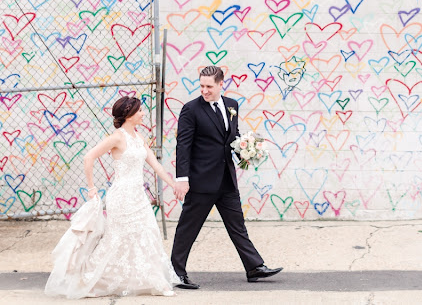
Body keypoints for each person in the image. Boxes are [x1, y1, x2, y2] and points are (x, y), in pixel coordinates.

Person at [45, 96, 180, 298]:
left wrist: (174, 184)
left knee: (148, 234)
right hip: (122, 196)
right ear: (129, 114)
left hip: (138, 196)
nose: (143, 114)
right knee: (116, 240)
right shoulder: (117, 137)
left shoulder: (139, 137)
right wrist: (92, 188)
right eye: (140, 111)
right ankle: (89, 279)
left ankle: (157, 282)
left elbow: (155, 165)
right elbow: (88, 156)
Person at [171, 65, 282, 289]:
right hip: (201, 180)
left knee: (237, 225)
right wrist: (182, 178)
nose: (204, 90)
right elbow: (183, 146)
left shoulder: (232, 105)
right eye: (201, 86)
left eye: (209, 86)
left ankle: (254, 267)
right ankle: (176, 272)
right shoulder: (190, 110)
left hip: (226, 179)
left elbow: (233, 136)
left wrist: (246, 148)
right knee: (188, 228)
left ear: (221, 84)